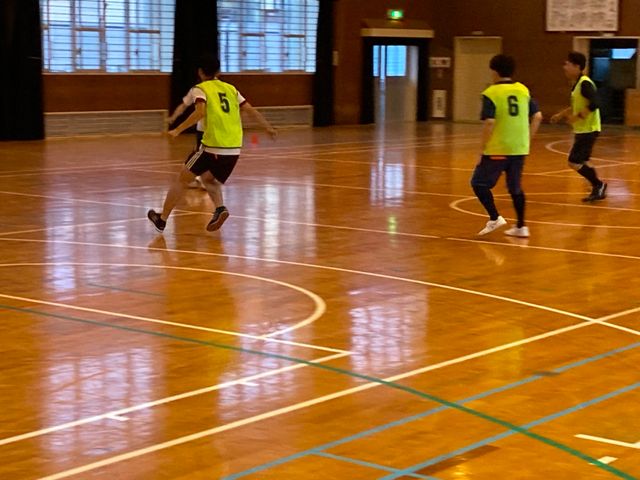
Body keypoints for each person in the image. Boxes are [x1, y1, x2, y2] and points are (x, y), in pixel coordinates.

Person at [147, 55, 277, 233]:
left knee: (182, 179)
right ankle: (220, 209)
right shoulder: (231, 89)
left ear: (200, 72)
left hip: (212, 146)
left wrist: (177, 130)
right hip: (234, 149)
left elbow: (200, 112)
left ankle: (161, 220)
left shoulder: (200, 89)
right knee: (208, 179)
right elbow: (250, 110)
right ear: (219, 71)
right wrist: (268, 127)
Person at [470, 54, 543, 238]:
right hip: (519, 148)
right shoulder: (523, 90)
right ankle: (521, 227)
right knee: (515, 187)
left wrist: (481, 150)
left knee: (478, 183)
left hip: (498, 148)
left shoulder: (491, 93)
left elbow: (489, 122)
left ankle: (495, 218)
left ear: (494, 71)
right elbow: (538, 116)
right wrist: (527, 139)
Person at [551, 51, 607, 202]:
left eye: (567, 64)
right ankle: (597, 187)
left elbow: (595, 103)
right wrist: (561, 114)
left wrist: (577, 117)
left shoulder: (585, 83)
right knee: (584, 160)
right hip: (584, 129)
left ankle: (598, 184)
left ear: (577, 66)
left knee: (574, 161)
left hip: (589, 129)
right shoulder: (577, 84)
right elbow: (576, 105)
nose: (565, 67)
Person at [166, 81, 206, 190]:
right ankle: (203, 179)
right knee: (202, 153)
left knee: (200, 155)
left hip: (207, 130)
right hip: (221, 130)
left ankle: (201, 179)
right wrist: (173, 117)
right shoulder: (226, 88)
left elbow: (195, 110)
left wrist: (177, 129)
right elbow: (183, 106)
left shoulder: (199, 89)